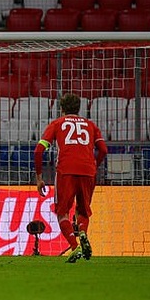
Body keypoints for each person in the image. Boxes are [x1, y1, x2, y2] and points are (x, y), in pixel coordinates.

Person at [34, 93, 108, 263]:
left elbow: (38, 150)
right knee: (83, 211)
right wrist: (94, 165)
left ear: (62, 109)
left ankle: (75, 247)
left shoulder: (57, 124)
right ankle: (82, 233)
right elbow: (103, 149)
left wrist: (39, 178)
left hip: (66, 171)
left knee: (62, 213)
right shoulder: (90, 125)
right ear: (79, 108)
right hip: (88, 171)